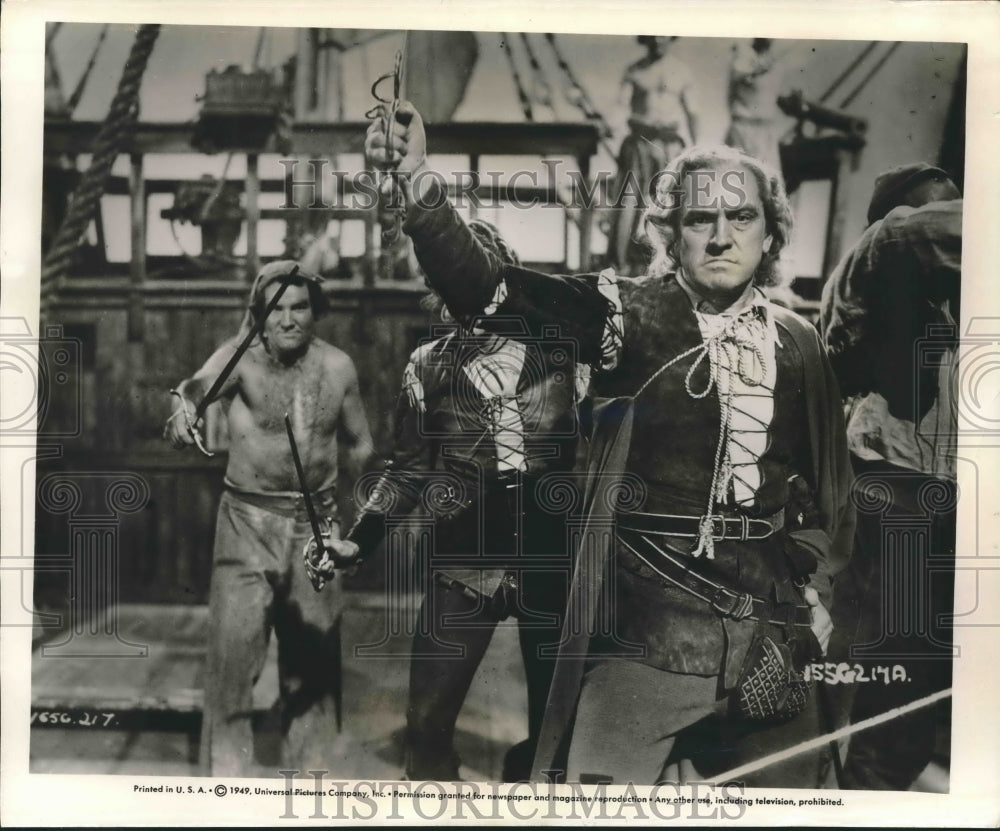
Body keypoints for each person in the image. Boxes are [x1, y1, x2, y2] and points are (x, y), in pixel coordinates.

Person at [365, 102, 855, 787]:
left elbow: (832, 498)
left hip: (770, 636)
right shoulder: (621, 311)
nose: (720, 237)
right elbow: (489, 291)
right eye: (699, 219)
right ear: (670, 233)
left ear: (771, 234)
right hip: (646, 638)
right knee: (586, 795)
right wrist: (418, 180)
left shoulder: (798, 344)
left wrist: (814, 593)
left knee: (803, 797)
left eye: (741, 217)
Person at [331, 220, 581, 782]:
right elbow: (407, 470)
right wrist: (357, 540)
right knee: (425, 730)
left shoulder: (566, 357)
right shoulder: (427, 366)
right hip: (465, 563)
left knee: (554, 744)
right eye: (450, 280)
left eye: (478, 277)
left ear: (504, 279)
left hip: (554, 566)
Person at [163, 260, 373, 776]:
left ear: (314, 310)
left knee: (314, 674)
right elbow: (193, 387)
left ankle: (312, 787)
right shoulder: (240, 359)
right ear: (259, 315)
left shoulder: (339, 367)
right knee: (233, 665)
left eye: (299, 306)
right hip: (247, 522)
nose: (288, 319)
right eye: (276, 308)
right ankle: (227, 791)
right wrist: (182, 413)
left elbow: (362, 445)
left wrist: (349, 524)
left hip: (316, 525)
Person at [820, 163, 961, 790]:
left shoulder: (915, 282)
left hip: (920, 486)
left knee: (898, 671)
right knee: (895, 680)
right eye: (940, 205)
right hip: (902, 487)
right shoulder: (890, 243)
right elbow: (912, 231)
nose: (950, 214)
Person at [608, 35, 700, 276]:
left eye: (664, 36)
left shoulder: (682, 72)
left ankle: (673, 268)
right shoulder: (635, 71)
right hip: (638, 142)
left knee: (671, 205)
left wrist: (697, 147)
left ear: (671, 39)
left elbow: (693, 112)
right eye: (654, 36)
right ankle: (618, 268)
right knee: (627, 203)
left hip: (670, 145)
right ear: (646, 40)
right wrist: (609, 125)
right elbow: (620, 104)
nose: (658, 41)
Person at [724, 39, 802, 177]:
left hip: (766, 131)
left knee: (769, 185)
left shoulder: (777, 66)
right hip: (743, 129)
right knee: (737, 181)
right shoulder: (742, 57)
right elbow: (747, 71)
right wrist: (765, 62)